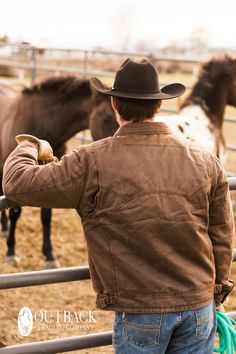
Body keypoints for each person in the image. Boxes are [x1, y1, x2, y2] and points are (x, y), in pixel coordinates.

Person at [3, 58, 235, 353]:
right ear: (159, 105)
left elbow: (17, 183)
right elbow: (222, 233)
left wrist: (29, 145)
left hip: (140, 308)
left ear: (113, 104)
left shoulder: (91, 160)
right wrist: (216, 292)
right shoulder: (204, 160)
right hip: (198, 308)